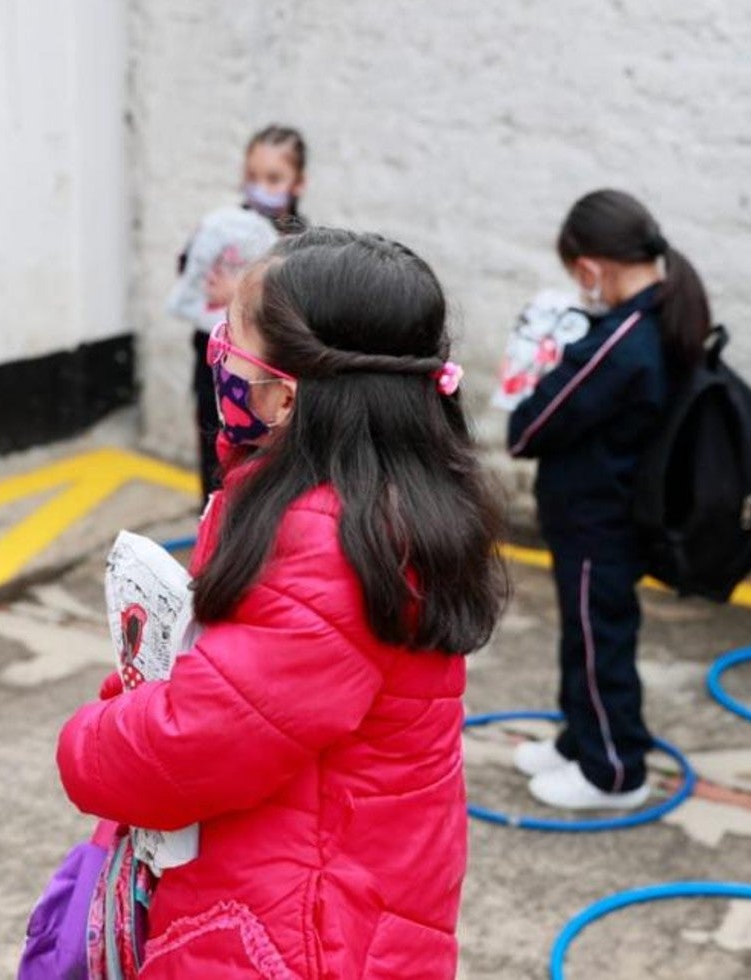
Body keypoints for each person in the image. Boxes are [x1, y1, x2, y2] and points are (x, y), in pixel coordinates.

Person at [59, 229, 506, 978]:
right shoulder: (375, 498)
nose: (218, 349)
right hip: (339, 895)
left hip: (297, 932)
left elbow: (198, 742)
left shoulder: (326, 540)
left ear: (285, 394)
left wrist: (93, 733)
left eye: (232, 333)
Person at [508, 189, 712, 809]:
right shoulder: (660, 317)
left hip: (601, 516)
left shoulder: (620, 341)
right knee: (588, 632)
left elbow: (532, 429)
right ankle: (583, 738)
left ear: (590, 268)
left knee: (600, 639)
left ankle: (616, 771)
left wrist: (538, 372)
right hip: (614, 509)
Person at [171, 124, 308, 499]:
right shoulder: (223, 225)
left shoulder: (301, 238)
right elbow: (186, 267)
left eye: (274, 177)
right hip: (214, 359)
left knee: (264, 455)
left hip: (268, 371)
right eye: (252, 176)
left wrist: (244, 290)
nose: (260, 185)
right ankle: (211, 516)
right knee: (214, 442)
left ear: (298, 183)